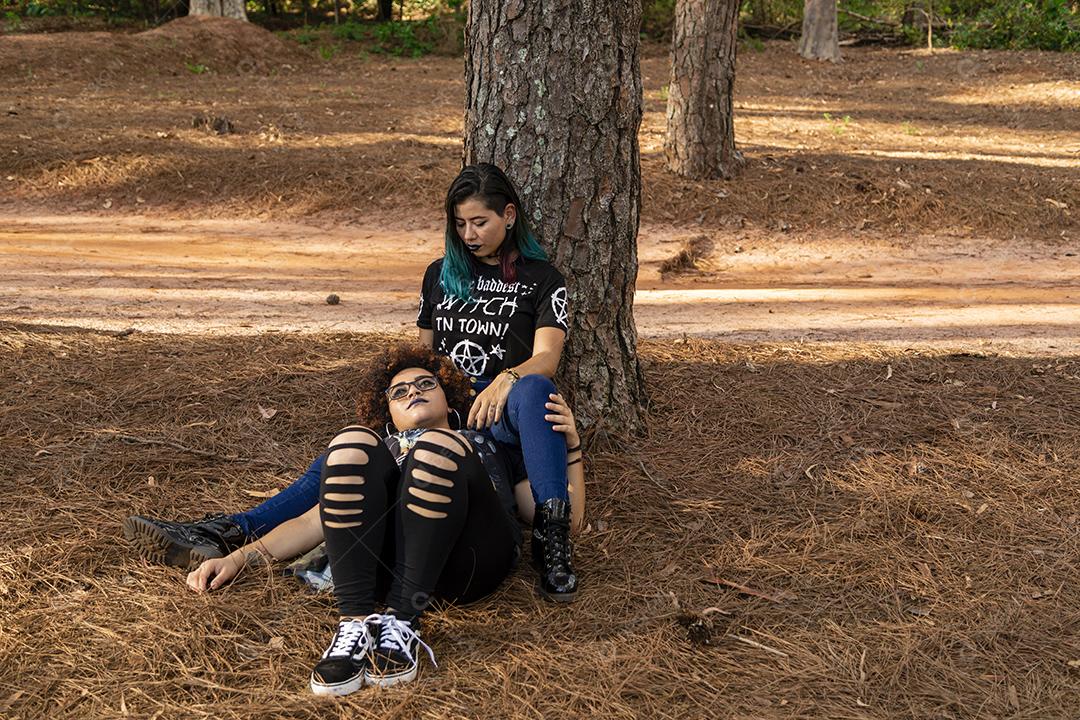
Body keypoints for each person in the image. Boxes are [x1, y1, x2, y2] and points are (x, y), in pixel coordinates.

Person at [124, 163, 579, 598]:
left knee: (538, 390)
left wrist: (507, 377)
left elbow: (547, 358)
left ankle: (552, 543)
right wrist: (401, 409)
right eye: (459, 224)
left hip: (497, 416)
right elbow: (420, 359)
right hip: (440, 405)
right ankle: (227, 532)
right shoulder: (441, 275)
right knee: (343, 459)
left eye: (479, 222)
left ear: (509, 215)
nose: (468, 235)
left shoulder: (541, 280)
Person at [181, 345, 586, 694]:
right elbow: (310, 523)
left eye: (427, 384)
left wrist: (571, 450)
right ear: (390, 414)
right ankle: (353, 625)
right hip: (386, 570)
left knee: (438, 448)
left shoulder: (485, 444)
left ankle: (403, 623)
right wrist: (236, 559)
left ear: (450, 399)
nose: (414, 392)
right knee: (349, 443)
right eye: (400, 391)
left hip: (472, 561)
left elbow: (565, 518)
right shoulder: (382, 455)